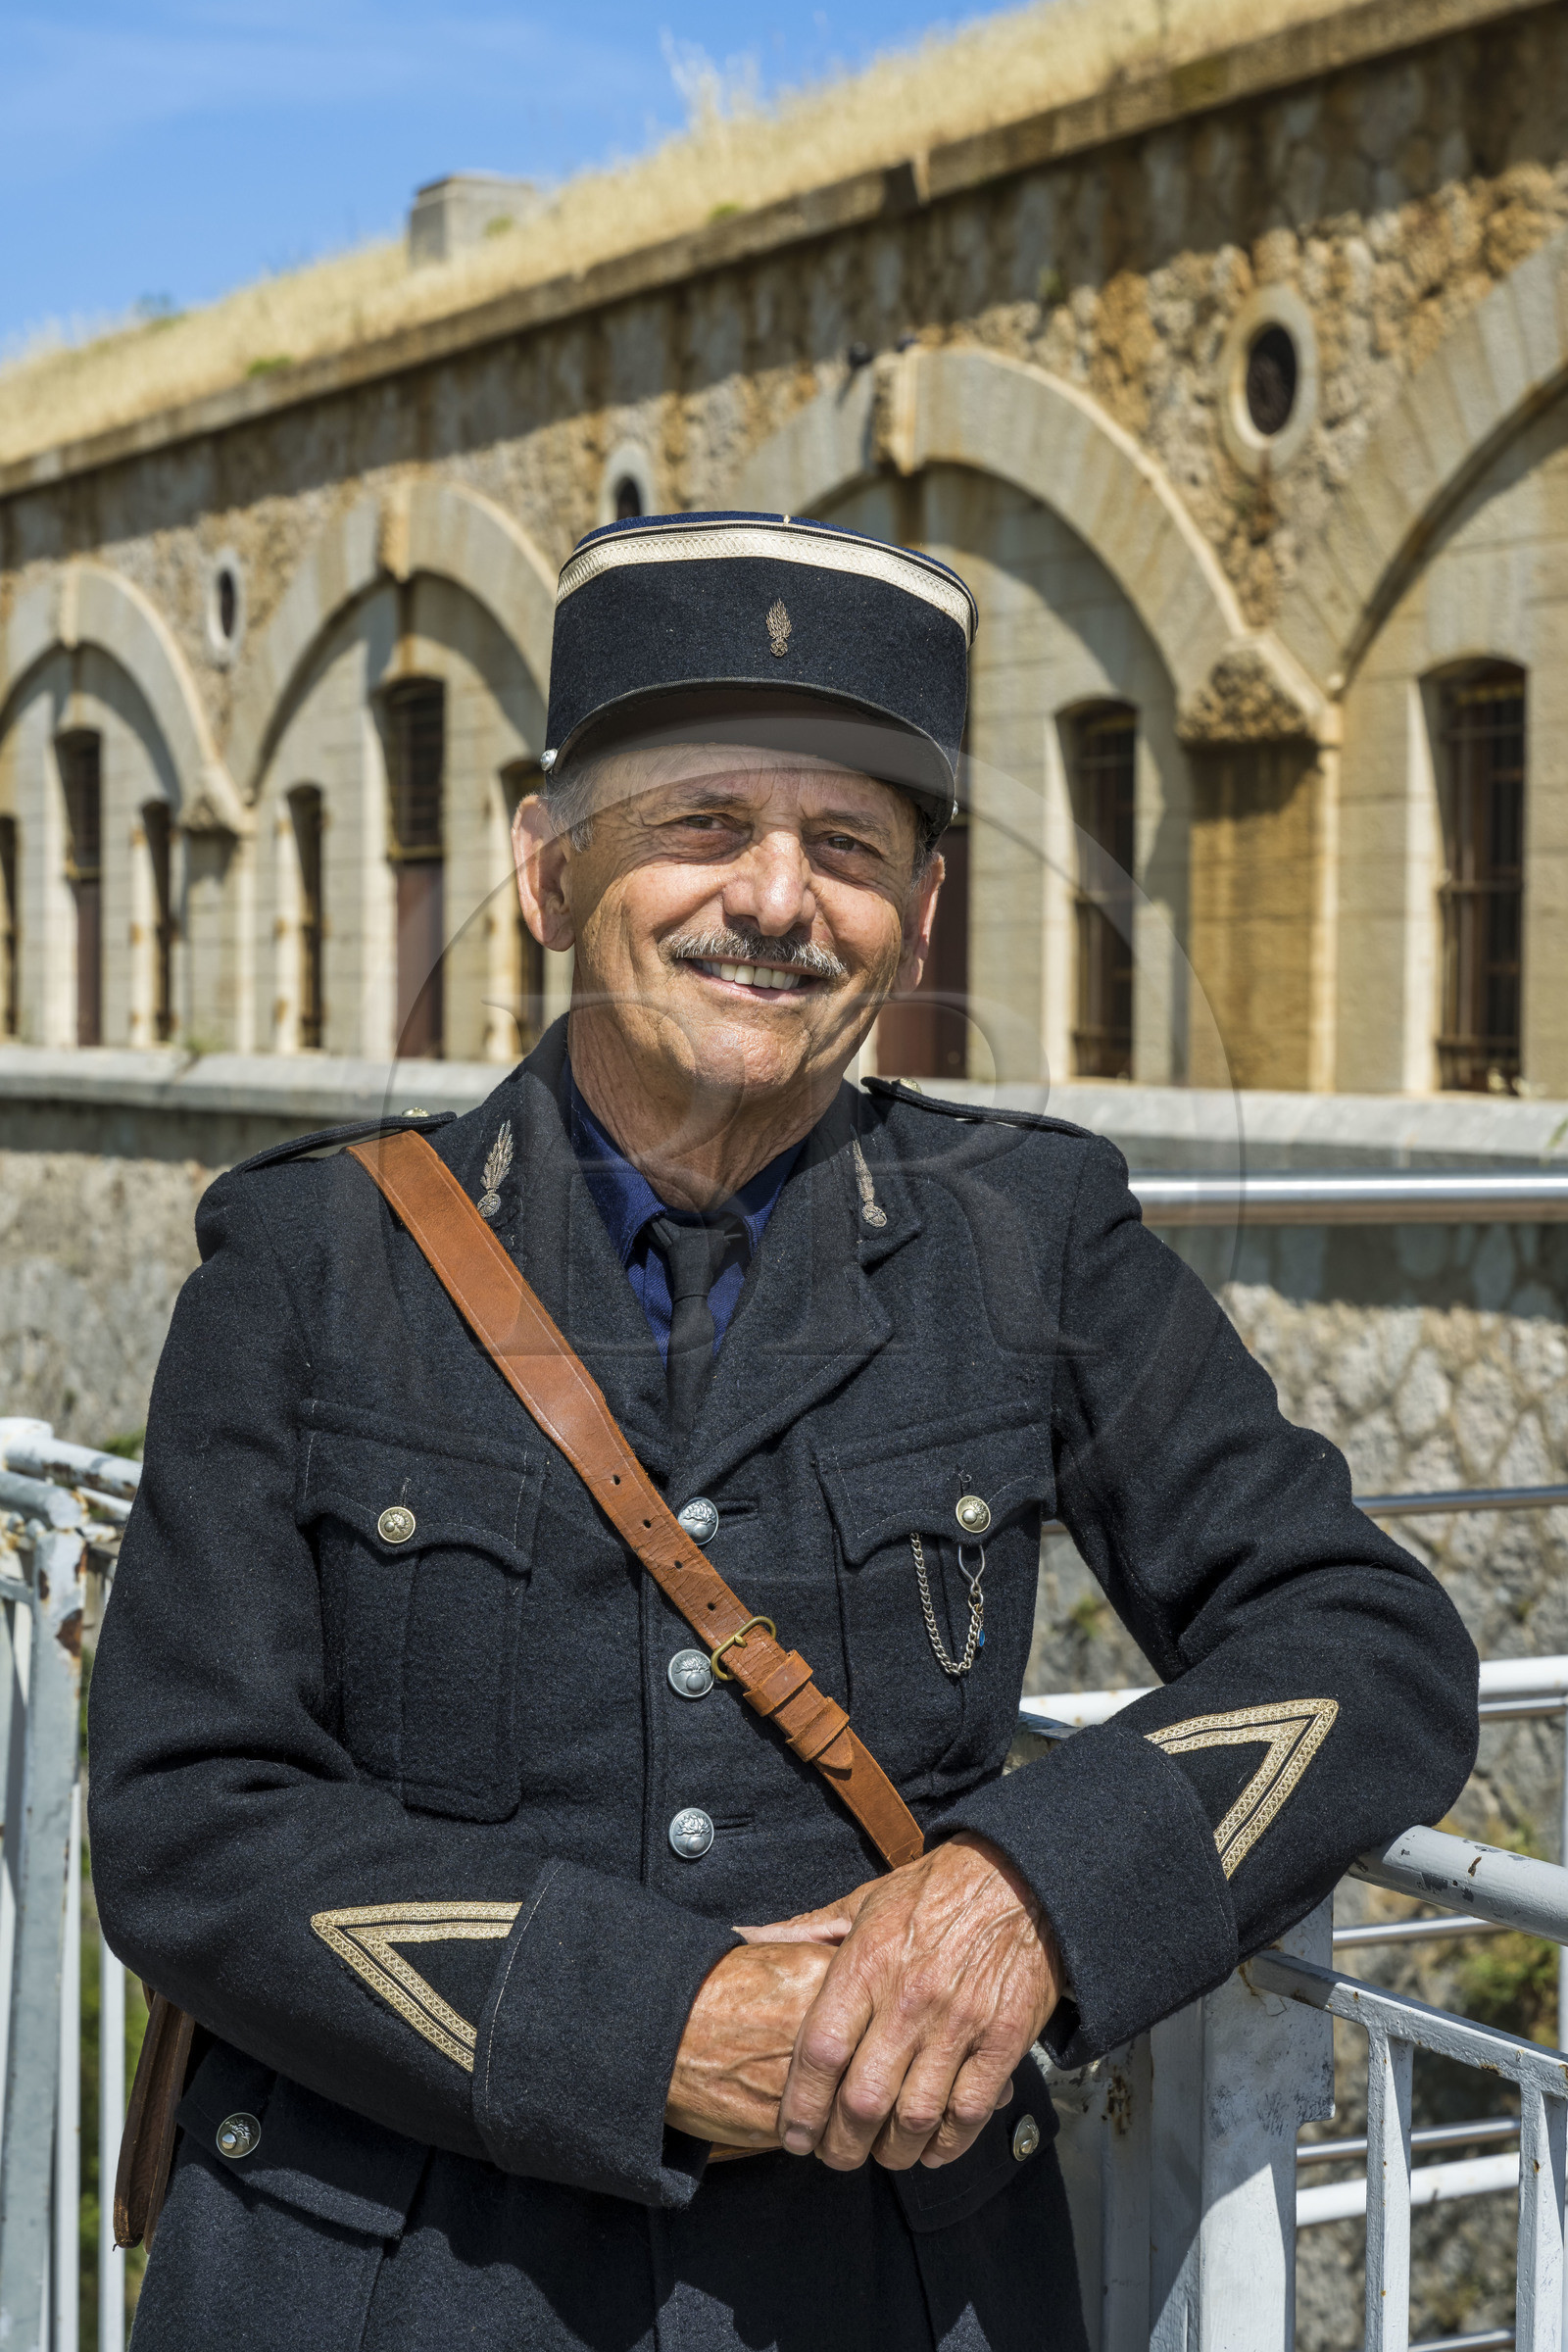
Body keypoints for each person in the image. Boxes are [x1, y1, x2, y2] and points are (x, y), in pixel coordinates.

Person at [89, 510, 1478, 2352]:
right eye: (701, 826)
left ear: (918, 916)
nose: (772, 898)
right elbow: (189, 1821)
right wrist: (652, 2025)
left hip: (882, 2285)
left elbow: (1365, 1643)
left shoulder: (1034, 1241)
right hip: (394, 2279)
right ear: (545, 865)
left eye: (846, 844)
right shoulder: (310, 1261)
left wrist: (1030, 1893)